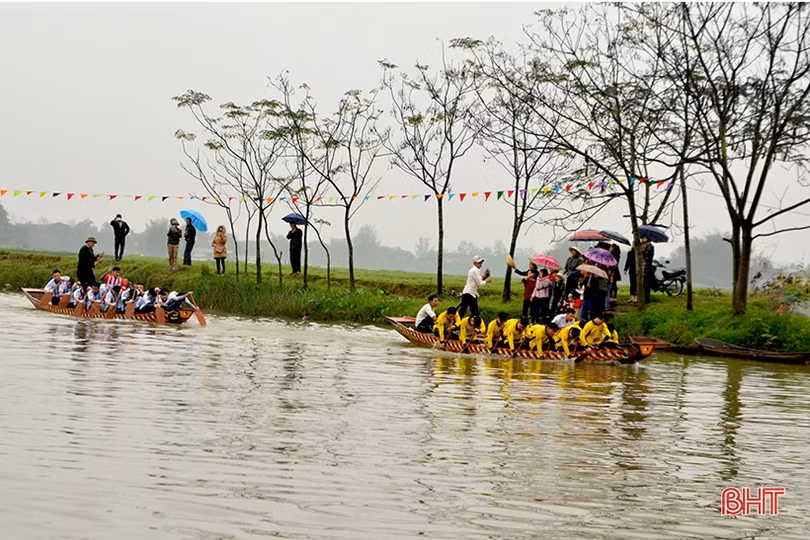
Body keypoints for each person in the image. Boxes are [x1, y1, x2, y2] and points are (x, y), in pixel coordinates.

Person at [640, 236, 655, 304]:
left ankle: (647, 299)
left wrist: (644, 251)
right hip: (641, 267)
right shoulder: (641, 245)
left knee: (647, 285)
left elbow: (648, 255)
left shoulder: (650, 246)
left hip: (647, 267)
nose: (643, 239)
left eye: (644, 238)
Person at [608, 244, 622, 308]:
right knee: (613, 284)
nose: (610, 248)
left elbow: (614, 264)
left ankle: (612, 297)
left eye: (611, 247)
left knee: (612, 284)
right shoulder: (613, 255)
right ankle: (612, 296)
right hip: (613, 270)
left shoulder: (615, 256)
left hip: (613, 271)